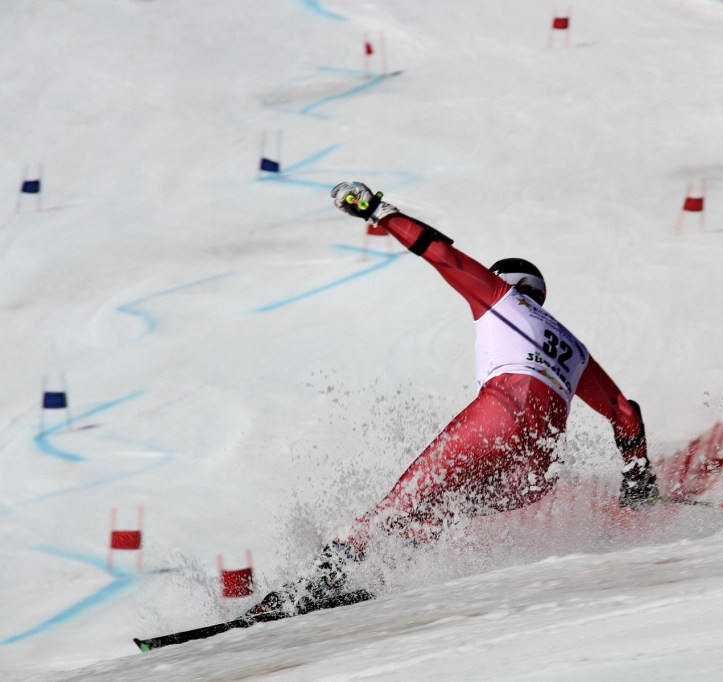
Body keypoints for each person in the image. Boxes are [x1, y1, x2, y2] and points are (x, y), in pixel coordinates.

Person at [249, 181, 658, 617]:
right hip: (535, 472)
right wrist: (637, 477)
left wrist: (376, 211)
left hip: (498, 419)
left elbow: (441, 253)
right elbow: (625, 412)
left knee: (399, 506)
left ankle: (309, 589)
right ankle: (383, 573)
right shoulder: (575, 349)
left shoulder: (500, 296)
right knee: (441, 507)